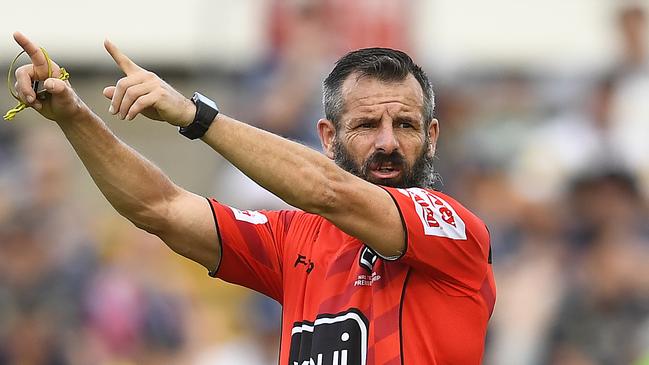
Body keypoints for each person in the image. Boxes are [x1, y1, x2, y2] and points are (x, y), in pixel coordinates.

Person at [10, 31, 495, 364]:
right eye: (367, 125)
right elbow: (160, 207)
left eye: (405, 125)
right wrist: (73, 116)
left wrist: (194, 116)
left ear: (432, 136)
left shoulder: (453, 228)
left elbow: (329, 190)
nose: (387, 142)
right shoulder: (297, 238)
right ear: (327, 138)